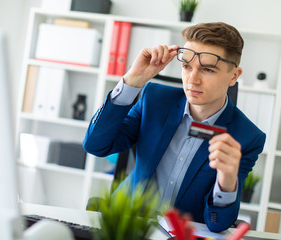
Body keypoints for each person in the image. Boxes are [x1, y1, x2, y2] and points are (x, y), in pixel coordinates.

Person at [83, 22, 266, 232]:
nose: (192, 80)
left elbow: (218, 222)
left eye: (207, 69)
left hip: (182, 234)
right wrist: (133, 80)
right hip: (128, 223)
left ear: (234, 76)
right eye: (187, 67)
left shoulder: (247, 137)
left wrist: (227, 180)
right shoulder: (154, 100)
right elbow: (96, 145)